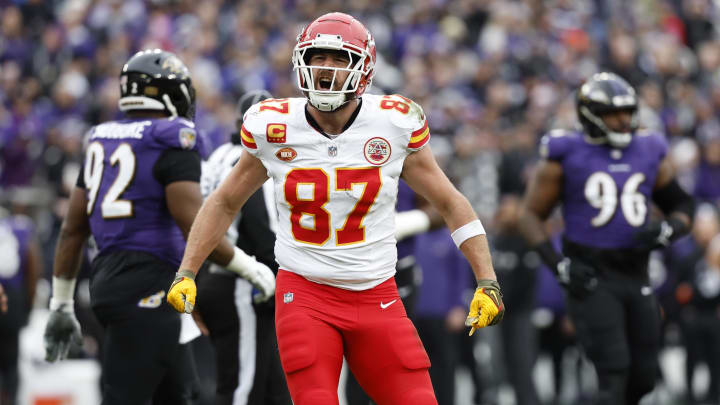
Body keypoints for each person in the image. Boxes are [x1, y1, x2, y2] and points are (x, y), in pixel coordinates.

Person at [167, 12, 504, 405]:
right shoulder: (273, 126)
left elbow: (450, 202)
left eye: (338, 58)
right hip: (305, 293)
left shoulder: (393, 123)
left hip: (375, 292)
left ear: (363, 68)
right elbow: (224, 201)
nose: (325, 67)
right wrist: (186, 270)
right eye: (317, 57)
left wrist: (488, 281)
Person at [41, 49, 275, 405]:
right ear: (166, 93)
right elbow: (196, 225)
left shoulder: (100, 137)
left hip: (111, 277)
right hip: (147, 280)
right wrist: (250, 267)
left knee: (182, 391)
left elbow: (73, 229)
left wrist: (61, 303)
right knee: (125, 395)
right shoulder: (173, 135)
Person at [519, 72, 696, 405]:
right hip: (592, 277)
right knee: (613, 371)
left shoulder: (648, 149)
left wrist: (669, 228)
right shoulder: (565, 153)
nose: (623, 120)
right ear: (590, 115)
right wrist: (558, 266)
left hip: (637, 273)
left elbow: (682, 204)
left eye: (628, 111)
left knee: (644, 377)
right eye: (614, 113)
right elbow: (529, 215)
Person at [195, 89, 291, 405]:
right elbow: (261, 229)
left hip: (212, 277)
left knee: (272, 387)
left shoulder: (219, 155)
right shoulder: (251, 161)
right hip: (240, 281)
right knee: (241, 390)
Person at [0, 210, 41, 405]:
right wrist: (28, 304)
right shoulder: (18, 229)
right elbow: (33, 265)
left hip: (9, 296)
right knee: (10, 362)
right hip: (12, 297)